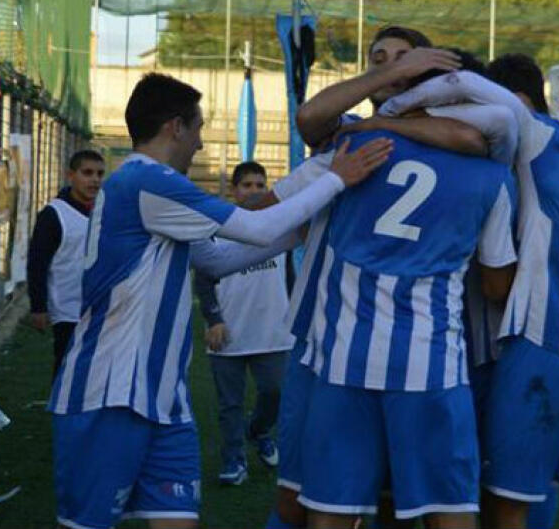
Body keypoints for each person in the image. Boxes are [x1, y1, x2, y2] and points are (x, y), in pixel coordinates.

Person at [47, 72, 391, 529]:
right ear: (175, 127)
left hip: (165, 400)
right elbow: (255, 228)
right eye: (198, 129)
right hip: (107, 393)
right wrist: (335, 180)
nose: (202, 145)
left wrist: (303, 229)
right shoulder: (145, 180)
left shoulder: (149, 189)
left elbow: (218, 260)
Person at [264, 27, 502, 529]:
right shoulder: (486, 163)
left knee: (339, 505)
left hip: (347, 355)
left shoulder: (355, 145)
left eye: (404, 61)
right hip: (388, 354)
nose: (391, 69)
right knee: (436, 505)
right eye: (379, 61)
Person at [380, 58, 559, 529]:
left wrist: (391, 110)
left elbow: (466, 84)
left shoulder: (536, 135)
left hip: (541, 353)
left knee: (504, 509)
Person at [296, 124, 517, 529]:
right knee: (448, 507)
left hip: (345, 357)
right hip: (431, 365)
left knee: (331, 508)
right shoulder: (493, 174)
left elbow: (276, 208)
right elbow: (496, 284)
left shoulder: (358, 144)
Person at [193, 162, 293, 487]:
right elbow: (204, 279)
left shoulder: (279, 227)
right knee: (230, 404)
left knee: (274, 391)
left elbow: (288, 275)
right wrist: (213, 319)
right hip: (229, 332)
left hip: (274, 333)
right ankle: (234, 460)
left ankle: (260, 431)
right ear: (234, 191)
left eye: (259, 184)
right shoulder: (215, 230)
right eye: (247, 185)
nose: (254, 190)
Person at [27, 149, 104, 376]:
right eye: (87, 173)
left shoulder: (103, 212)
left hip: (99, 307)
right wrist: (38, 307)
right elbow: (37, 263)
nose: (94, 180)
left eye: (100, 174)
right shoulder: (54, 214)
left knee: (94, 374)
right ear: (71, 175)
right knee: (66, 370)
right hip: (67, 309)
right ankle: (61, 411)